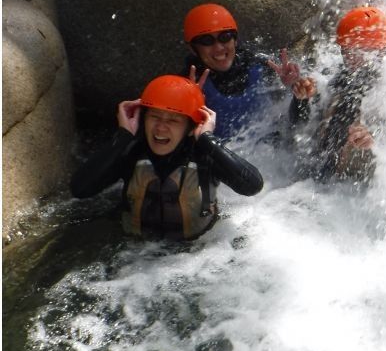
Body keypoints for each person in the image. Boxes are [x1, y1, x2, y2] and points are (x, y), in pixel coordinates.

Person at [70, 75, 264, 240]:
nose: (161, 127)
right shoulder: (132, 151)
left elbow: (252, 186)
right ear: (143, 119)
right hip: (135, 256)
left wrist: (208, 140)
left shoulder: (205, 155)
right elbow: (80, 189)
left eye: (173, 120)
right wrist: (123, 137)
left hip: (199, 255)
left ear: (190, 128)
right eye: (154, 117)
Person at [182, 3, 315, 140]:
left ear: (235, 40)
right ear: (193, 48)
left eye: (225, 36)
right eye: (207, 41)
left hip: (273, 147)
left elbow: (298, 129)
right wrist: (190, 112)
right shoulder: (188, 85)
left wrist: (298, 94)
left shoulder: (262, 66)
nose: (219, 47)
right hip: (223, 157)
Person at [291, 6, 386, 184]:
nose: (349, 58)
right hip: (316, 178)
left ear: (381, 51)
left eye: (357, 51)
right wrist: (301, 101)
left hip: (356, 188)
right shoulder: (333, 77)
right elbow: (298, 127)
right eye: (346, 50)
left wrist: (372, 141)